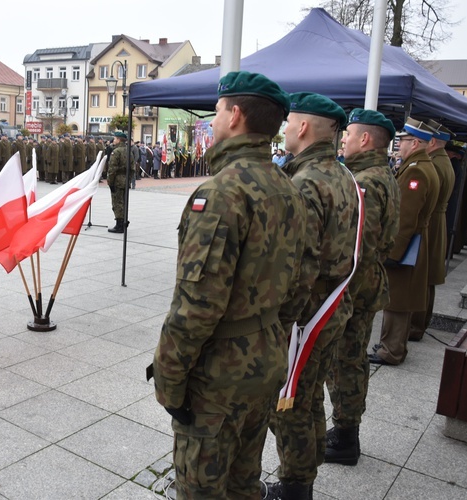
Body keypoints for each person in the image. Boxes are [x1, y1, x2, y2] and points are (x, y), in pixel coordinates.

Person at [150, 71, 307, 499]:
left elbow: (196, 306)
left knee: (203, 488)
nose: (214, 120)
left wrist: (169, 379)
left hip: (220, 377)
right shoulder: (288, 187)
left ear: (235, 114)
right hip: (266, 359)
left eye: (217, 111)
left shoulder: (222, 193)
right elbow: (299, 284)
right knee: (244, 481)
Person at [267, 92, 359, 500]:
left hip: (307, 317)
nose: (285, 128)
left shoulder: (305, 183)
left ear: (303, 127)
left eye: (289, 122)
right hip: (332, 307)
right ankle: (306, 472)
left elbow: (295, 267)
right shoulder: (342, 175)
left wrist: (278, 322)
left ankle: (295, 488)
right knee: (308, 398)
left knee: (288, 408)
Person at [324, 109, 400, 466]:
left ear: (365, 139)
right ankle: (344, 430)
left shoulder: (365, 182)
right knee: (348, 361)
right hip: (367, 285)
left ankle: (345, 436)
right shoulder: (380, 174)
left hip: (354, 289)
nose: (344, 139)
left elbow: (358, 247)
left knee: (345, 362)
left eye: (349, 133)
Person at [370, 118, 440, 366]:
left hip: (407, 244)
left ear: (416, 143)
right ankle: (391, 345)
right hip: (415, 241)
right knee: (401, 297)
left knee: (398, 300)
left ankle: (391, 349)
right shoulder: (418, 166)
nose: (399, 145)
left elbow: (406, 217)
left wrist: (393, 252)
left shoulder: (416, 171)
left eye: (404, 141)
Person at [408, 120, 455, 341]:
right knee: (428, 278)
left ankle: (416, 325)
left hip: (431, 222)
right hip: (437, 220)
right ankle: (420, 322)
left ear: (432, 141)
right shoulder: (442, 161)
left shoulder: (432, 164)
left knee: (421, 277)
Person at [106, 131, 130, 233]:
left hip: (117, 181)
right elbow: (133, 168)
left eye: (115, 138)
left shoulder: (116, 152)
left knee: (117, 203)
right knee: (123, 202)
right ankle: (124, 221)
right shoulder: (128, 151)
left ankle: (119, 225)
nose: (114, 140)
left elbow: (112, 169)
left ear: (119, 140)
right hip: (125, 180)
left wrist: (110, 182)